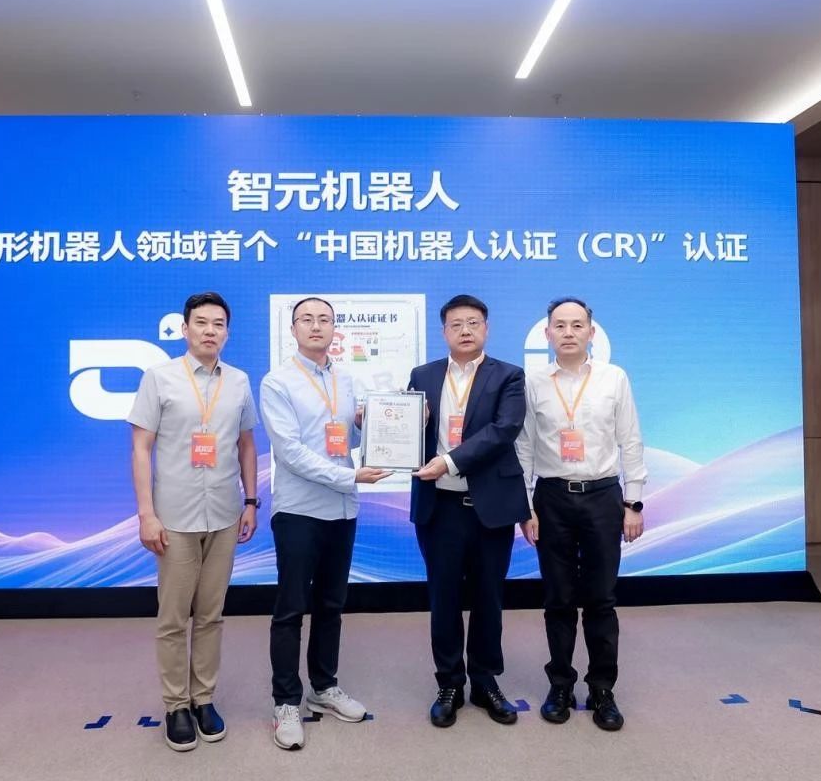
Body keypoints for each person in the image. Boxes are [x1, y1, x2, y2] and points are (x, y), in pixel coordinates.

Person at [129, 292, 260, 752]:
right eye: (201, 322)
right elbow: (140, 449)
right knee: (173, 618)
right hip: (175, 517)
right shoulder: (159, 377)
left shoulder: (239, 381)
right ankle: (175, 705)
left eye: (218, 324)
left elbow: (246, 445)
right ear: (184, 329)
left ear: (227, 332)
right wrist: (146, 514)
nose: (210, 331)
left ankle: (203, 699)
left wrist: (251, 501)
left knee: (210, 615)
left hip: (224, 513)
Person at [259, 297, 390, 751]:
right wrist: (349, 476)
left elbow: (346, 438)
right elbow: (290, 451)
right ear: (293, 329)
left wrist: (373, 424)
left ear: (336, 329)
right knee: (291, 608)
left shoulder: (346, 379)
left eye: (325, 320)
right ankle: (285, 702)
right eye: (307, 320)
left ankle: (324, 686)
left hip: (343, 509)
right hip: (299, 509)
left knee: (332, 604)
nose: (316, 326)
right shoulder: (277, 381)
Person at [516, 297, 647, 732]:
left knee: (601, 599)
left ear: (592, 332)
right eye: (560, 325)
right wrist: (526, 507)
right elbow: (524, 447)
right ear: (547, 334)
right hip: (552, 498)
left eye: (577, 325)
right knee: (558, 598)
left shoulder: (614, 378)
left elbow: (630, 440)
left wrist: (633, 502)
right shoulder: (534, 382)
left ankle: (602, 688)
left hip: (603, 496)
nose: (568, 332)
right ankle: (560, 685)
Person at [408, 295, 530, 727]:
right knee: (443, 598)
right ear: (443, 331)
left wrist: (449, 461)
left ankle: (485, 681)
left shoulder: (509, 375)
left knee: (488, 598)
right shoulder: (423, 375)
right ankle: (449, 683)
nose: (465, 330)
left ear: (486, 328)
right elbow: (407, 429)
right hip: (439, 507)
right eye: (456, 323)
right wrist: (378, 425)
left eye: (473, 322)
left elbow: (503, 431)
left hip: (489, 507)